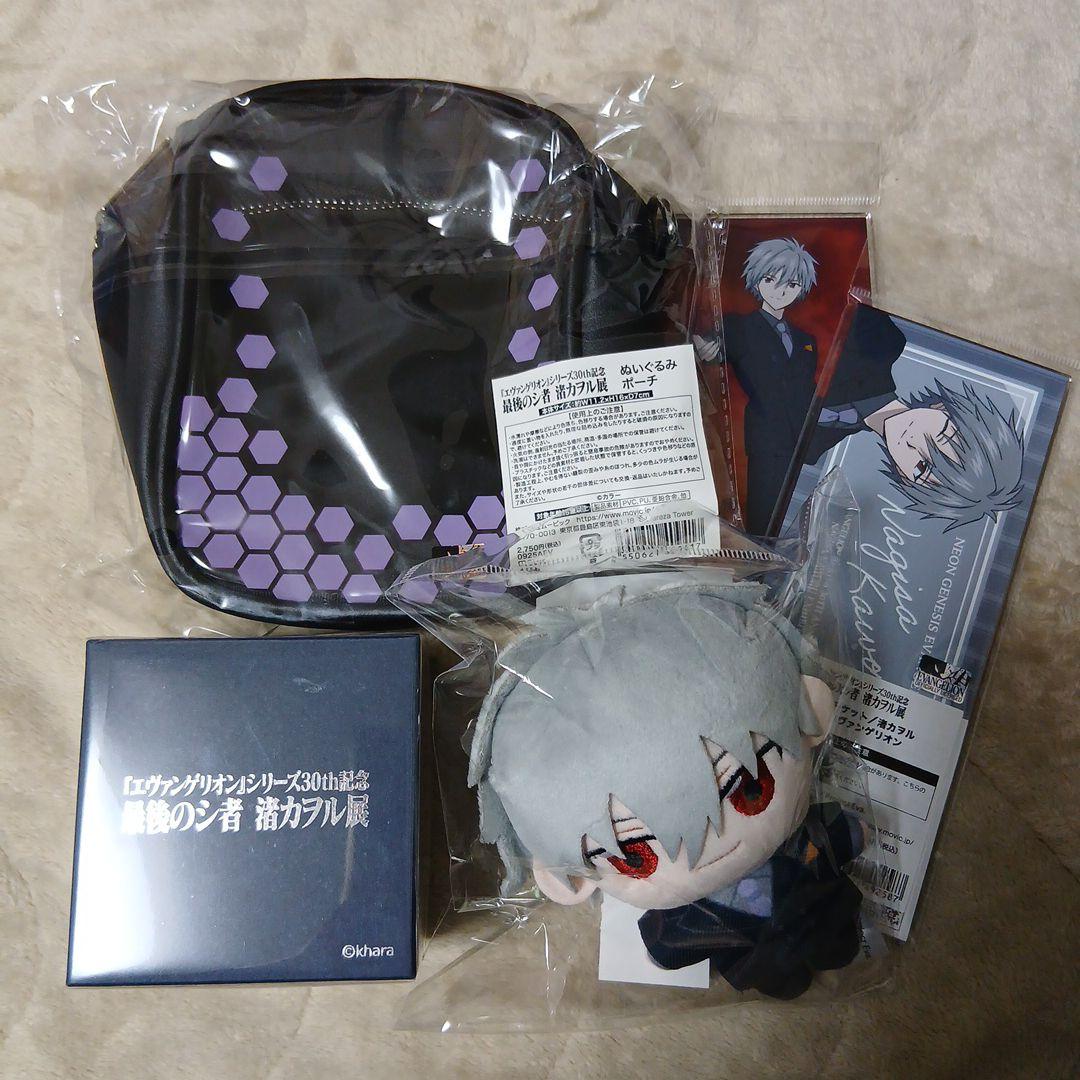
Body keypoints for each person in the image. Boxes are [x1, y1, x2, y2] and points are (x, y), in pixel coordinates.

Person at [806, 305, 1026, 531]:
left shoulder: (810, 449)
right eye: (942, 436)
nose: (914, 444)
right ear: (944, 408)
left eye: (921, 469)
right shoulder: (880, 341)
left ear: (904, 477)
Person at [719, 238, 820, 534]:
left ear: (800, 289)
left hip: (800, 438)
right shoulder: (738, 327)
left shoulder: (805, 340)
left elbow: (806, 390)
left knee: (796, 513)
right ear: (757, 280)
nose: (780, 290)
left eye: (791, 284)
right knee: (763, 517)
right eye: (770, 280)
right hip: (765, 435)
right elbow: (710, 350)